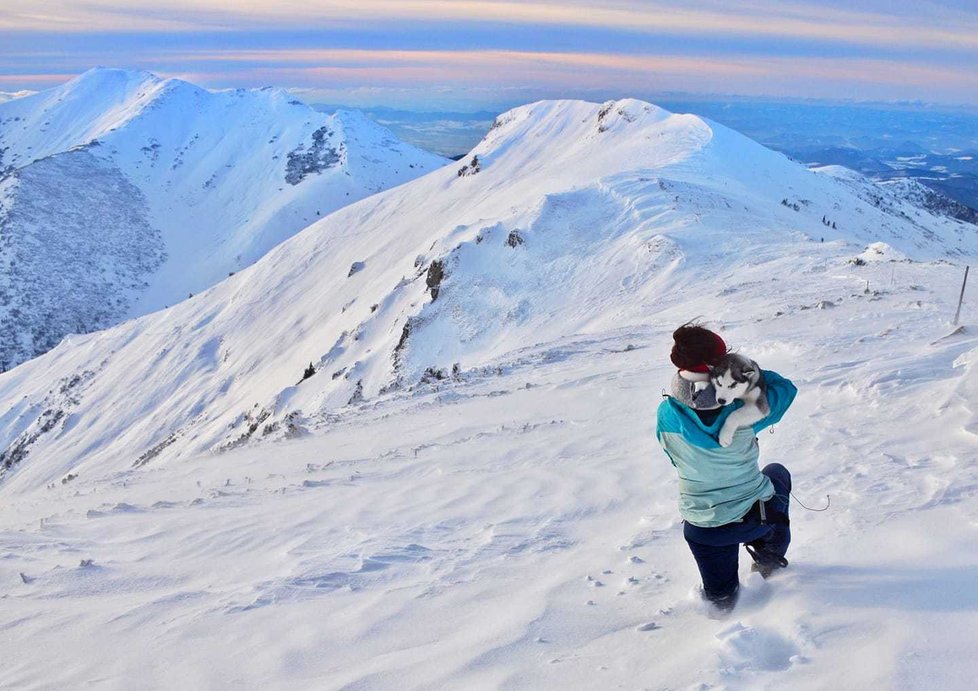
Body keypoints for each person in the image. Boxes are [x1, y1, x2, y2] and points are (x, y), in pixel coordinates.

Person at [655, 323, 797, 612]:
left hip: (703, 528)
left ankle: (719, 616)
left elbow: (674, 459)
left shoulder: (667, 413)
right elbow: (787, 389)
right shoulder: (743, 412)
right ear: (714, 367)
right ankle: (768, 557)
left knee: (721, 600)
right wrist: (748, 373)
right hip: (755, 517)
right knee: (777, 473)